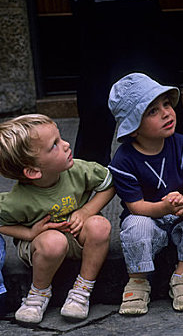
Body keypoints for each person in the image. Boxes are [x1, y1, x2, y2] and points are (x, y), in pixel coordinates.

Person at [107, 73, 183, 315]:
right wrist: (164, 208)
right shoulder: (124, 159)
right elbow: (135, 205)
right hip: (149, 218)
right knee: (134, 225)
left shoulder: (181, 144)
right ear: (134, 128)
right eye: (153, 111)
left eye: (166, 104)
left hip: (179, 215)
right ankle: (137, 280)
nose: (167, 113)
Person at [0, 114, 114, 324]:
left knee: (100, 225)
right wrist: (29, 233)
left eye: (60, 138)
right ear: (33, 171)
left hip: (76, 236)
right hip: (42, 246)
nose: (66, 144)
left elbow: (109, 183)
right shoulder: (17, 199)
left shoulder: (78, 170)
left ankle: (82, 291)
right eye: (54, 145)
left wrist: (87, 211)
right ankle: (38, 294)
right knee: (53, 241)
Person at [62, 0, 183, 166]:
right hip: (91, 0)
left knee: (159, 93)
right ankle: (88, 179)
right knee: (96, 104)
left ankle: (181, 170)